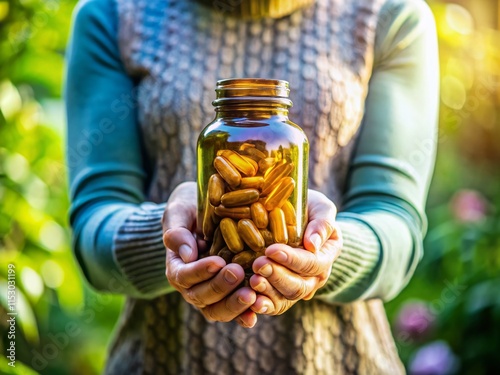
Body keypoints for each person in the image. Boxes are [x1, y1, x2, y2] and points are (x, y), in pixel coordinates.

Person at [65, 0, 438, 373]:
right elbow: (94, 227)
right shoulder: (114, 13)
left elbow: (397, 227)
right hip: (160, 360)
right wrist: (172, 238)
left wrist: (320, 250)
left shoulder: (389, 14)